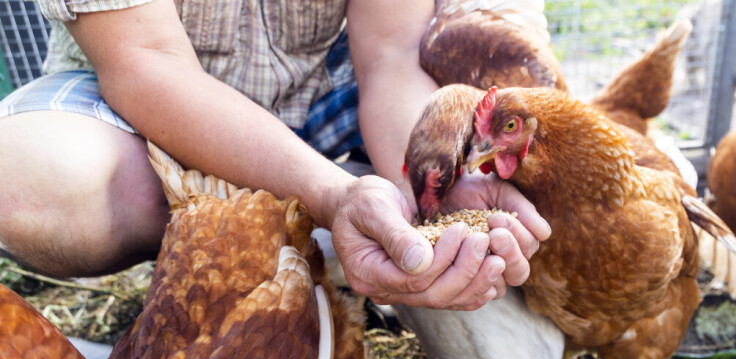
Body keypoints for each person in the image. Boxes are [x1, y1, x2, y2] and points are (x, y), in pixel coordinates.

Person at [0, 0, 551, 311]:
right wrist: (333, 195)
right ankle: (300, 235)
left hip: (313, 94)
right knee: (23, 184)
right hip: (136, 98)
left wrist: (434, 189)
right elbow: (145, 61)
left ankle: (366, 226)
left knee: (495, 70)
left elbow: (388, 56)